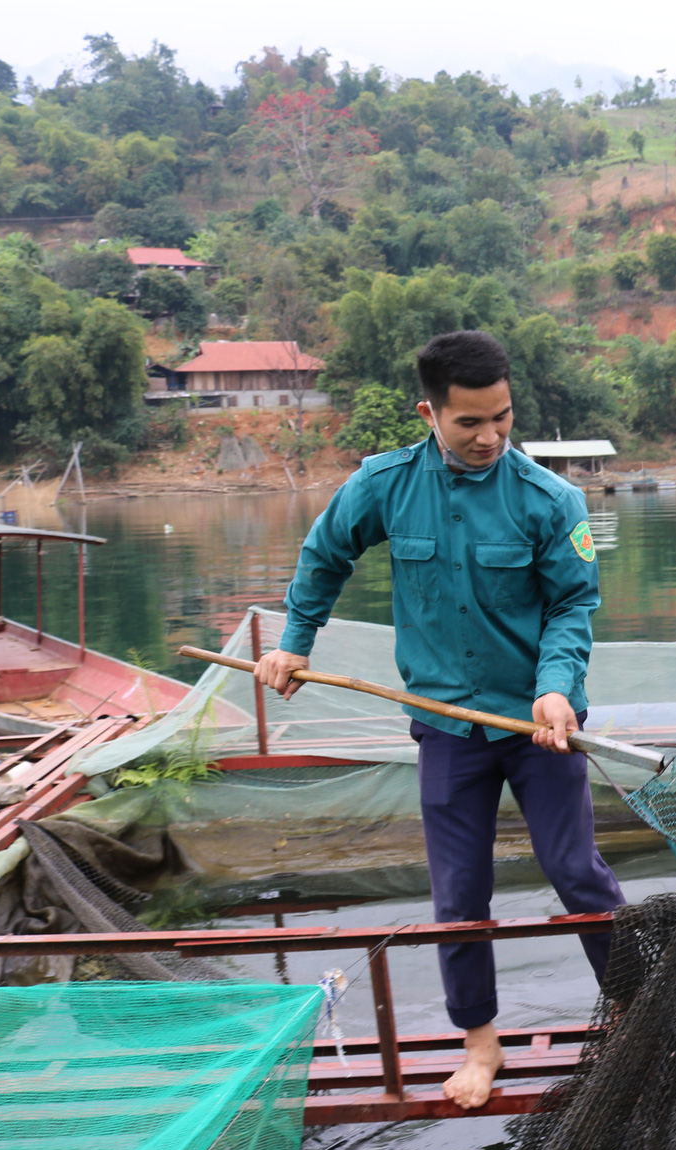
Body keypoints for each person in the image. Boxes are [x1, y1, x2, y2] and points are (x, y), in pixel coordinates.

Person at [255, 330, 624, 1110]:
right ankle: (479, 1041)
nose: (489, 436)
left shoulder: (550, 500)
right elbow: (324, 557)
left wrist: (556, 686)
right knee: (459, 891)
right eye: (469, 423)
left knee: (577, 871)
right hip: (446, 726)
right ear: (429, 412)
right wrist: (293, 643)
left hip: (538, 725)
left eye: (503, 417)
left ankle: (631, 1003)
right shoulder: (384, 485)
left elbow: (572, 604)